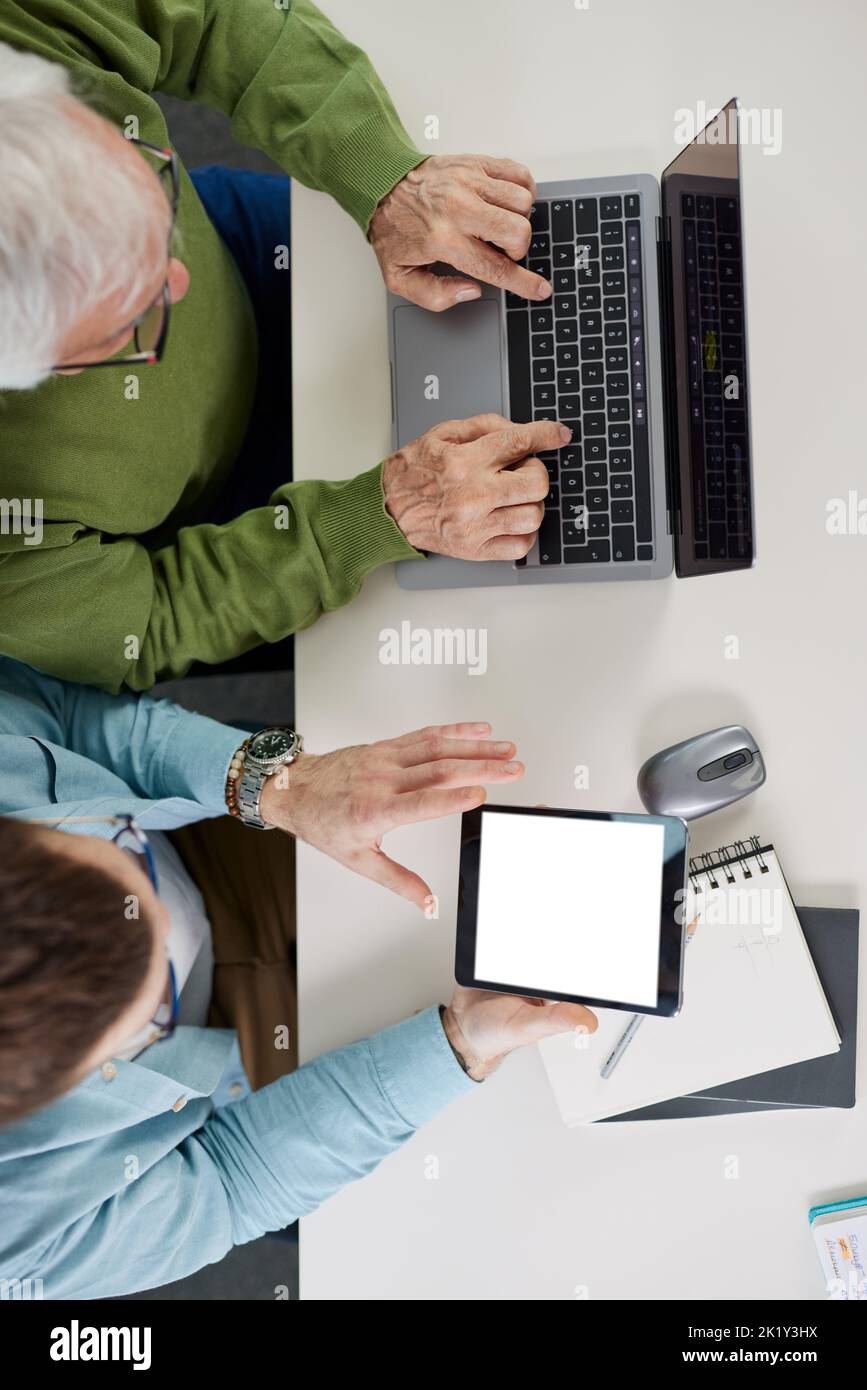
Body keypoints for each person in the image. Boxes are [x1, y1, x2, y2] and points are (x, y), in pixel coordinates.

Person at [0, 2, 563, 692]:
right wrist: (375, 516)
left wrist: (383, 178)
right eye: (133, 319)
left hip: (245, 251)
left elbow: (214, 19)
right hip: (243, 514)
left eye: (146, 188)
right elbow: (149, 622)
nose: (176, 280)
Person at [0, 655, 597, 1297]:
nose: (168, 932)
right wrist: (458, 1047)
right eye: (149, 1005)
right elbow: (232, 1183)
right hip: (221, 1091)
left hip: (205, 841)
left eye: (109, 847)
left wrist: (278, 787)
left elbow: (77, 721)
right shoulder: (17, 1245)